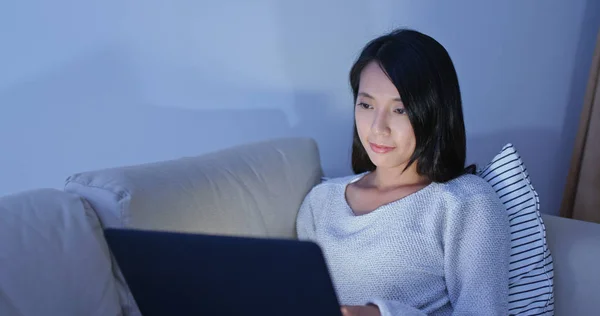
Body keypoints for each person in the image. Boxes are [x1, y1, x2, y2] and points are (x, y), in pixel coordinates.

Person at [296, 29, 510, 316]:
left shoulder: (465, 203)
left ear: (435, 114)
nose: (377, 127)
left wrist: (379, 314)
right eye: (366, 104)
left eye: (401, 110)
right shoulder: (320, 202)